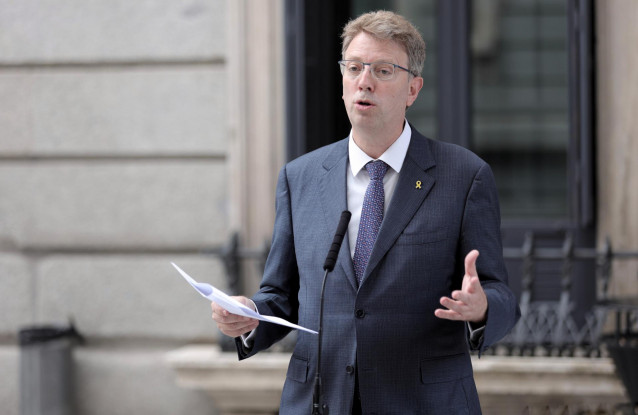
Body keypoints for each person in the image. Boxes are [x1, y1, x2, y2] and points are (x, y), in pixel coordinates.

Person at [212, 10, 520, 415]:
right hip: (321, 400)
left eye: (384, 70)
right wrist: (250, 315)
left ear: (413, 89)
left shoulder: (464, 176)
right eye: (354, 67)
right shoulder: (300, 177)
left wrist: (481, 309)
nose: (365, 81)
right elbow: (279, 296)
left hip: (423, 402)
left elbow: (502, 297)